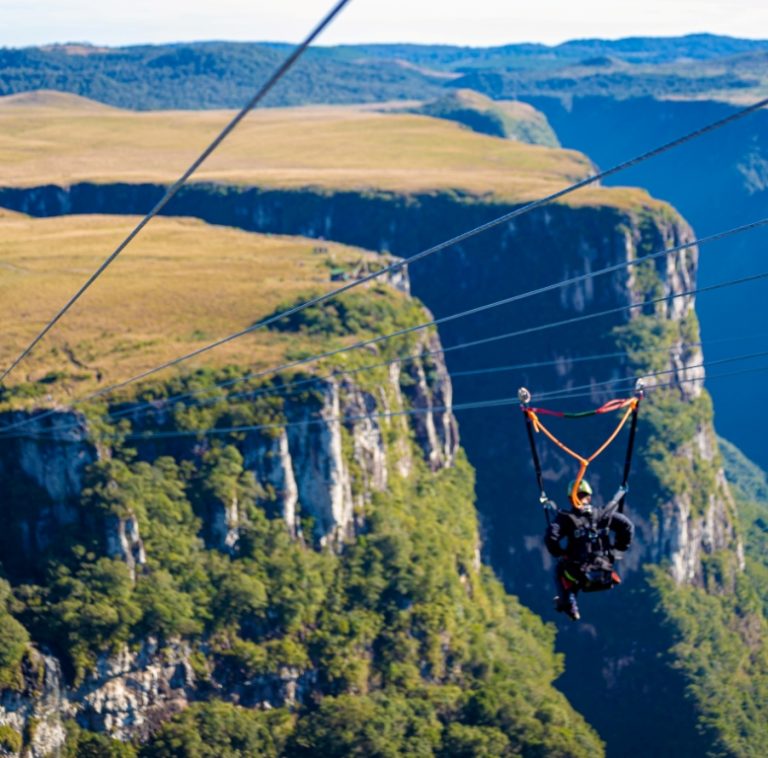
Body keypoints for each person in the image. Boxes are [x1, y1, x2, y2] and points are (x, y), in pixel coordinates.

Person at [544, 478, 634, 621]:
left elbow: (551, 537)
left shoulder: (566, 519)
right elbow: (627, 526)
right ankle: (610, 576)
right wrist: (618, 548)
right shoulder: (604, 514)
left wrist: (560, 553)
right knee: (572, 568)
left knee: (561, 569)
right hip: (604, 568)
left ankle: (569, 603)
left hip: (579, 573)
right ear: (589, 496)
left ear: (570, 498)